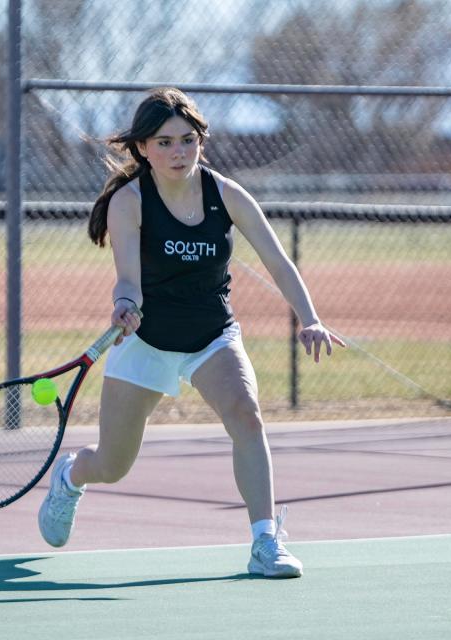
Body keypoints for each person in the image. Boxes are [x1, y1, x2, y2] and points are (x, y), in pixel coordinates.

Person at [38, 87, 345, 578]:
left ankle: (265, 541)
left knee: (246, 416)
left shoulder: (225, 193)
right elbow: (128, 280)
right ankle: (72, 476)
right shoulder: (129, 202)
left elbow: (277, 261)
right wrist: (125, 306)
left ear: (201, 141)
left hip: (211, 336)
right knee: (114, 465)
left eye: (187, 140)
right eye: (163, 143)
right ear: (142, 148)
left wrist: (309, 317)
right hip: (146, 341)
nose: (177, 152)